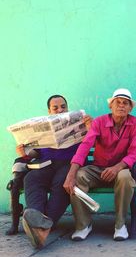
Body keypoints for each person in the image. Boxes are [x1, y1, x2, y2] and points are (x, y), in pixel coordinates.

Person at [63, 88, 136, 242]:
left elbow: (135, 152)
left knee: (126, 177)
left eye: (125, 103)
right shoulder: (99, 121)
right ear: (110, 106)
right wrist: (70, 174)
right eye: (117, 102)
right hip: (98, 169)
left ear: (130, 108)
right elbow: (85, 146)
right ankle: (83, 225)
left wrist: (117, 167)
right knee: (79, 177)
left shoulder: (134, 123)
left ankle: (120, 225)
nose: (121, 106)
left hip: (120, 169)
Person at [19, 95, 92, 248]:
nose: (60, 110)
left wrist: (90, 128)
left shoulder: (81, 122)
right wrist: (25, 152)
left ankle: (42, 228)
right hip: (46, 164)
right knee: (31, 178)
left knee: (62, 182)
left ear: (67, 107)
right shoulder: (43, 127)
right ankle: (36, 216)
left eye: (63, 106)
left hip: (70, 163)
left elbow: (94, 143)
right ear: (49, 111)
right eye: (56, 107)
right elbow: (36, 153)